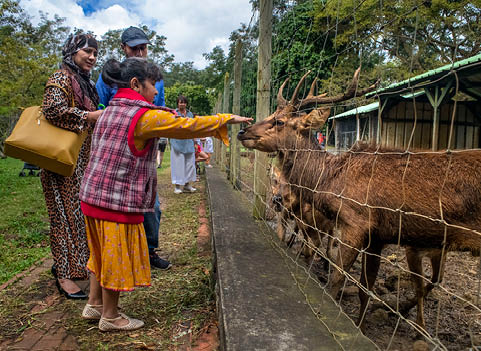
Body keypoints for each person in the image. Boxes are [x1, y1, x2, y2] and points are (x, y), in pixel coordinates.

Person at [79, 57, 252, 331]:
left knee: (99, 253)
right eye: (152, 85)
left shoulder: (110, 110)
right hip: (114, 200)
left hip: (91, 196)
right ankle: (110, 317)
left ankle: (94, 304)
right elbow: (186, 126)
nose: (156, 92)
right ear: (136, 84)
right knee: (114, 256)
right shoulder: (143, 116)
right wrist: (226, 118)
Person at [96, 26, 170, 270]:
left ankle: (148, 251)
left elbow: (159, 111)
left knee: (152, 206)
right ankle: (119, 255)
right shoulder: (110, 78)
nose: (139, 51)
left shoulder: (154, 76)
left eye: (143, 47)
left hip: (142, 149)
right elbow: (101, 109)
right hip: (116, 151)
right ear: (123, 48)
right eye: (134, 47)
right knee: (115, 207)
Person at [41, 33, 103, 299]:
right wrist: (88, 116)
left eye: (95, 53)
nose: (91, 57)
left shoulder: (85, 83)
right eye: (86, 51)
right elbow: (52, 109)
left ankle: (71, 266)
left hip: (81, 163)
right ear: (72, 51)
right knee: (62, 218)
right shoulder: (61, 77)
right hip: (60, 163)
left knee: (78, 218)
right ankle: (64, 276)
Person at [170, 95, 197, 194]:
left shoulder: (190, 114)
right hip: (177, 142)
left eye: (184, 102)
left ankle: (187, 185)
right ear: (177, 103)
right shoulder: (173, 113)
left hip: (189, 142)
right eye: (181, 102)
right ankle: (177, 186)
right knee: (178, 164)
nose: (182, 104)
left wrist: (195, 141)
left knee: (190, 164)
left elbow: (193, 128)